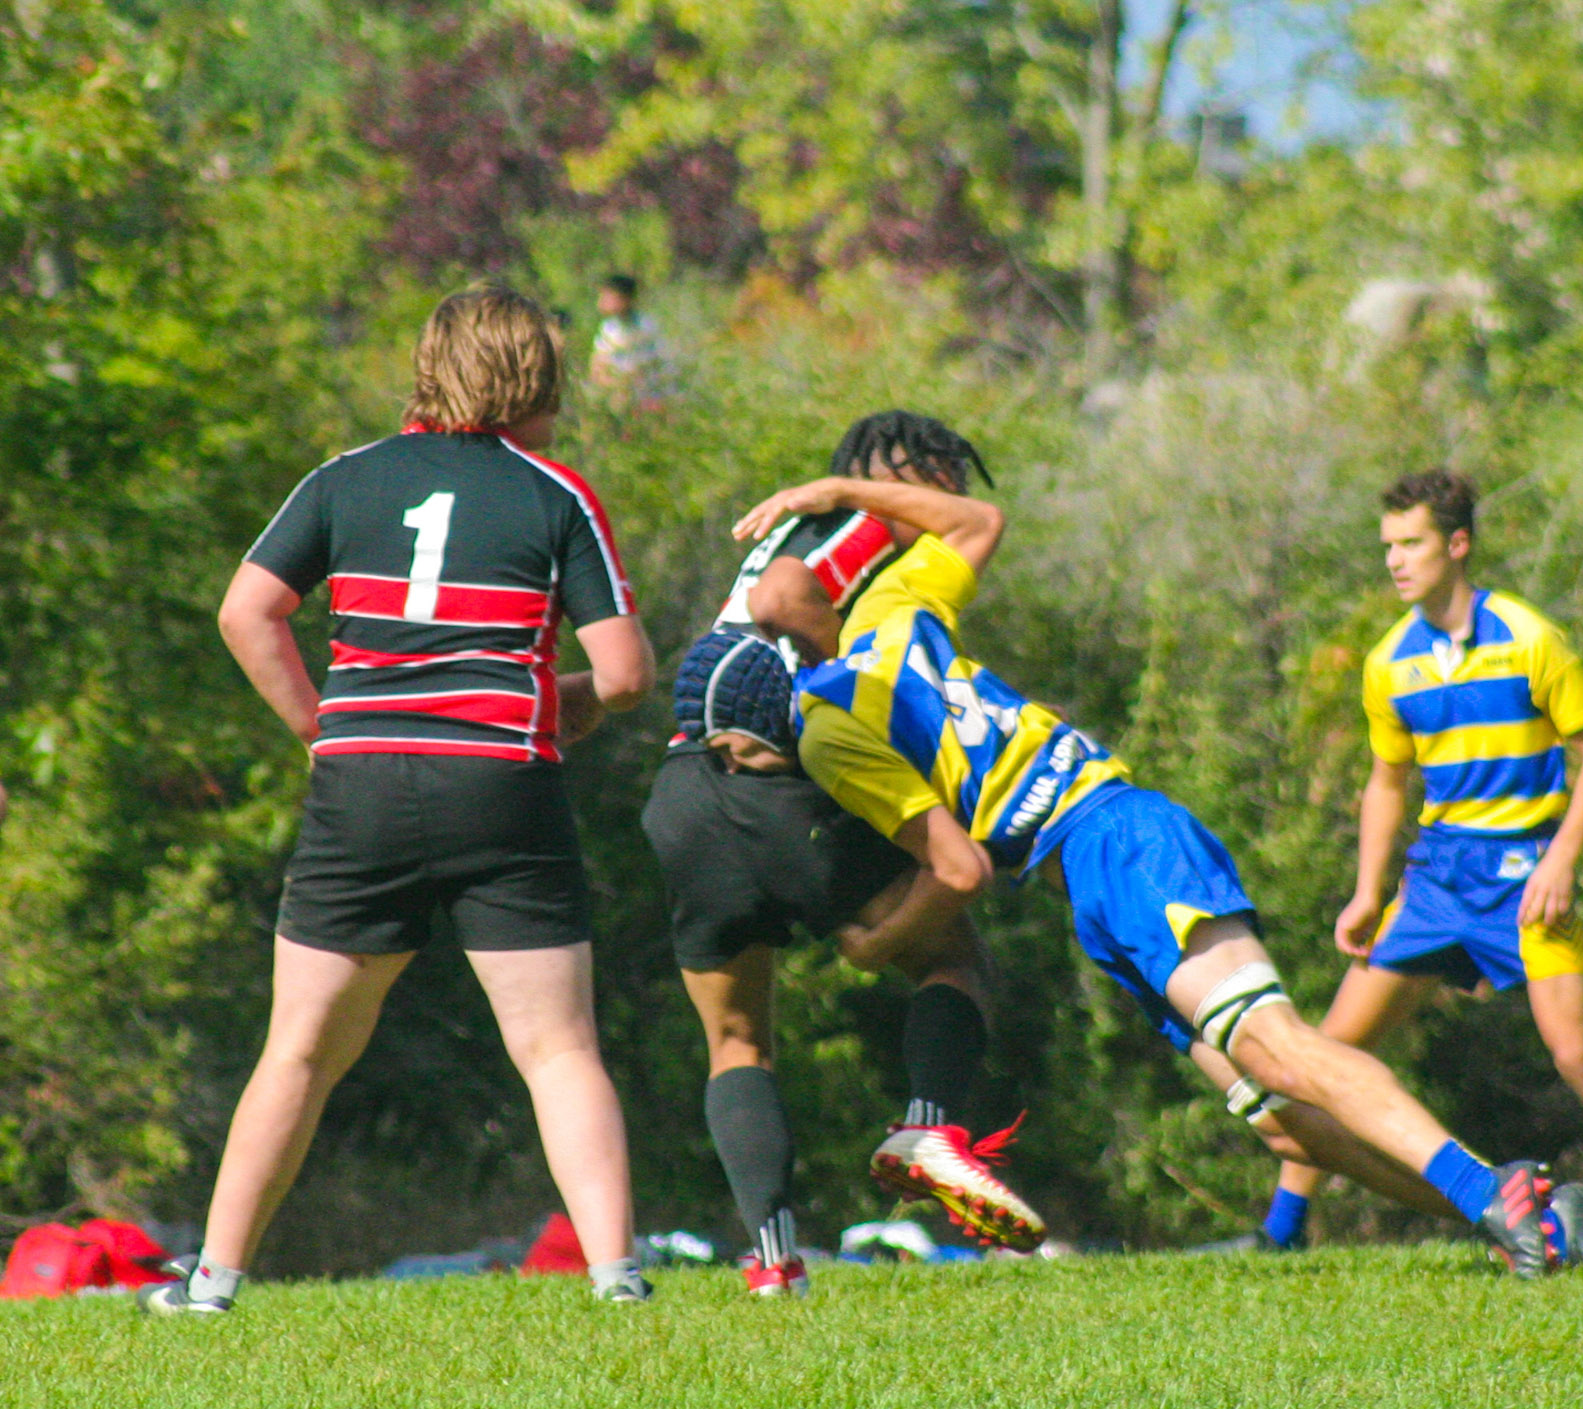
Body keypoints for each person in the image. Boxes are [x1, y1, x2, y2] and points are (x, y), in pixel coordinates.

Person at [736, 473, 1583, 1280]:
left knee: (1279, 1045)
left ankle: (1492, 1198)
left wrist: (837, 488)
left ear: (824, 578)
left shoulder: (884, 613)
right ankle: (1524, 1206)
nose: (761, 582)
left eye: (778, 561)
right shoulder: (839, 691)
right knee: (1282, 1115)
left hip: (1116, 836)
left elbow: (979, 521)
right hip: (1087, 870)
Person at [141, 284, 657, 1314]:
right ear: (534, 383)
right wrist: (558, 706)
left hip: (361, 777)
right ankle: (615, 1278)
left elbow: (247, 611)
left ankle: (211, 1283)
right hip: (500, 784)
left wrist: (317, 724)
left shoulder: (345, 478)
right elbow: (629, 671)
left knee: (297, 1046)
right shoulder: (555, 493)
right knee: (557, 1048)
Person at [643, 412, 1038, 1299]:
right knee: (952, 952)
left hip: (684, 791)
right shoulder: (859, 520)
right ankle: (928, 1130)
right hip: (778, 782)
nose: (956, 503)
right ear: (910, 472)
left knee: (736, 1036)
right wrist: (842, 682)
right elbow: (786, 600)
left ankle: (775, 1263)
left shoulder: (804, 529)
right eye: (947, 479)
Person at [1258, 471, 1583, 1258]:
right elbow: (1388, 781)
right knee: (1325, 1056)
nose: (1394, 560)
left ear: (1457, 544)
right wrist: (1366, 891)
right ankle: (1280, 1234)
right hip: (1435, 882)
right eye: (1387, 545)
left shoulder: (1529, 637)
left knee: (1577, 1054)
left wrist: (1561, 859)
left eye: (1411, 542)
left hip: (1526, 876)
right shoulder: (1390, 661)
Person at [587, 274, 676, 410]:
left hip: (644, 394)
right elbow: (599, 361)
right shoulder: (608, 328)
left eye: (608, 297)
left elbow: (656, 364)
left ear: (625, 299)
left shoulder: (645, 326)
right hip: (617, 393)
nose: (601, 302)